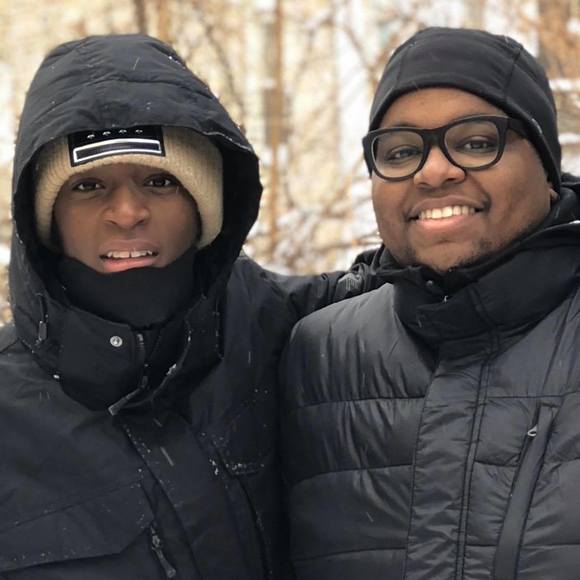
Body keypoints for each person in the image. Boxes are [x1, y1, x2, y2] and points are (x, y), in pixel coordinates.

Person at [0, 34, 376, 579]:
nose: (126, 212)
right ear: (46, 220)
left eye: (160, 181)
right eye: (88, 186)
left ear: (205, 207)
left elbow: (444, 293)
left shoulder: (291, 329)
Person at [282, 26, 580, 580]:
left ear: (547, 170)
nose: (434, 171)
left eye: (476, 142)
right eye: (400, 151)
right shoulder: (321, 354)